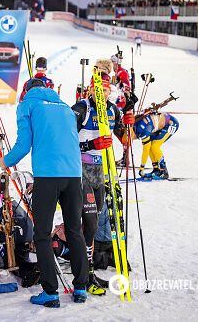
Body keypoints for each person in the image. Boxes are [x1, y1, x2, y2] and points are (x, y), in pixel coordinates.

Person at [0, 79, 88, 307]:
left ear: (26, 91)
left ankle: (51, 292)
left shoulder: (28, 105)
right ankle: (80, 288)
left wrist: (5, 161)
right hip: (73, 175)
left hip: (48, 176)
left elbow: (24, 144)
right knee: (74, 231)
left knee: (42, 234)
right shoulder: (66, 108)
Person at [70, 68, 132, 296]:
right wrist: (90, 145)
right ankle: (83, 276)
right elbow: (65, 141)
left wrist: (129, 121)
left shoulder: (113, 110)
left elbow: (126, 139)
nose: (102, 94)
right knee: (89, 225)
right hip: (81, 172)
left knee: (92, 226)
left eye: (106, 90)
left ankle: (89, 271)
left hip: (101, 173)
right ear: (91, 89)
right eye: (99, 90)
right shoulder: (82, 108)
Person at [134, 111, 179, 180]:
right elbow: (147, 148)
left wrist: (142, 168)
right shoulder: (136, 126)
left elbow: (146, 150)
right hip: (161, 123)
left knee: (155, 146)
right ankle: (156, 169)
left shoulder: (142, 130)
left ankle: (164, 171)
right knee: (151, 145)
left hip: (171, 123)